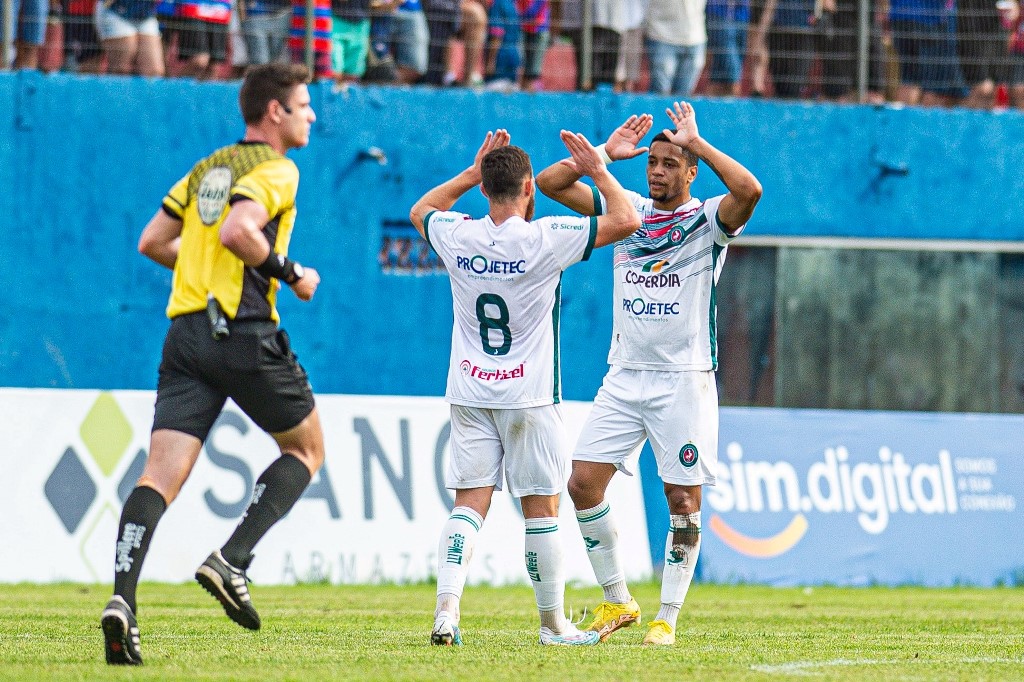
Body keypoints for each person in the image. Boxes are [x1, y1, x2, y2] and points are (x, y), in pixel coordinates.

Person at [101, 62, 325, 666]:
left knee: (158, 476)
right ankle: (232, 559)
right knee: (305, 451)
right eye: (303, 105)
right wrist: (291, 273)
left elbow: (153, 241)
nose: (311, 115)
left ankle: (122, 601)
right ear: (274, 112)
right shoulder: (278, 168)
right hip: (242, 331)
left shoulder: (211, 166)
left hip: (185, 336)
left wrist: (201, 268)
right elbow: (239, 231)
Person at [536, 103, 762, 646]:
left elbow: (750, 192)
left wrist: (698, 142)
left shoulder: (708, 221)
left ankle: (668, 617)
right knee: (582, 483)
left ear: (690, 173)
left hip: (683, 379)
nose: (656, 171)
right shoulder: (628, 210)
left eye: (668, 164)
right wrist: (605, 158)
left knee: (681, 500)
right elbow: (547, 184)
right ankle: (618, 601)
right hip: (623, 376)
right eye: (652, 162)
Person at [409, 128, 640, 646]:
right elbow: (627, 220)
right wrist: (599, 167)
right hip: (529, 397)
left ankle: (447, 611)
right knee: (541, 510)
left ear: (486, 189)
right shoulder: (546, 237)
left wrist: (470, 173)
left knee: (468, 505)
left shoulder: (456, 233)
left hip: (470, 391)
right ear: (530, 188)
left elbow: (421, 210)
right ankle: (552, 624)